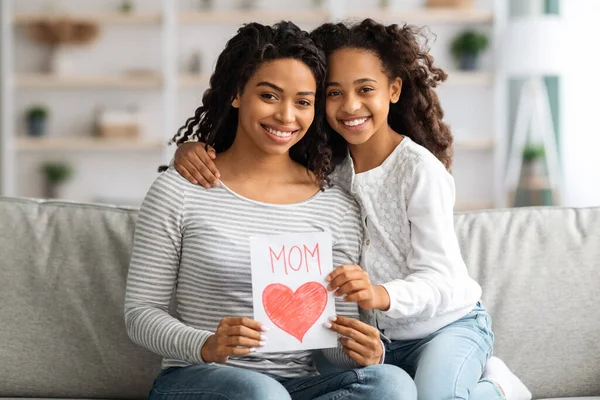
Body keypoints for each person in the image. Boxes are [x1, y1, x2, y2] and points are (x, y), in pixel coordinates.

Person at [170, 18, 532, 400]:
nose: (350, 106)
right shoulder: (326, 168)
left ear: (393, 90)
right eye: (334, 93)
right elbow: (263, 149)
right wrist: (192, 148)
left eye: (365, 90)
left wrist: (380, 294)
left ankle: (499, 388)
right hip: (375, 340)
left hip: (444, 326)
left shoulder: (419, 171)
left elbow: (443, 278)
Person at [124, 21, 416, 400]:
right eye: (269, 95)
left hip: (298, 386)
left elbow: (329, 338)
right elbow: (141, 312)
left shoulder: (337, 205)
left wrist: (360, 350)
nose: (286, 116)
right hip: (199, 379)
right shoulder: (181, 190)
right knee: (262, 394)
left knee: (391, 384)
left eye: (303, 102)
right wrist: (206, 344)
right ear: (236, 95)